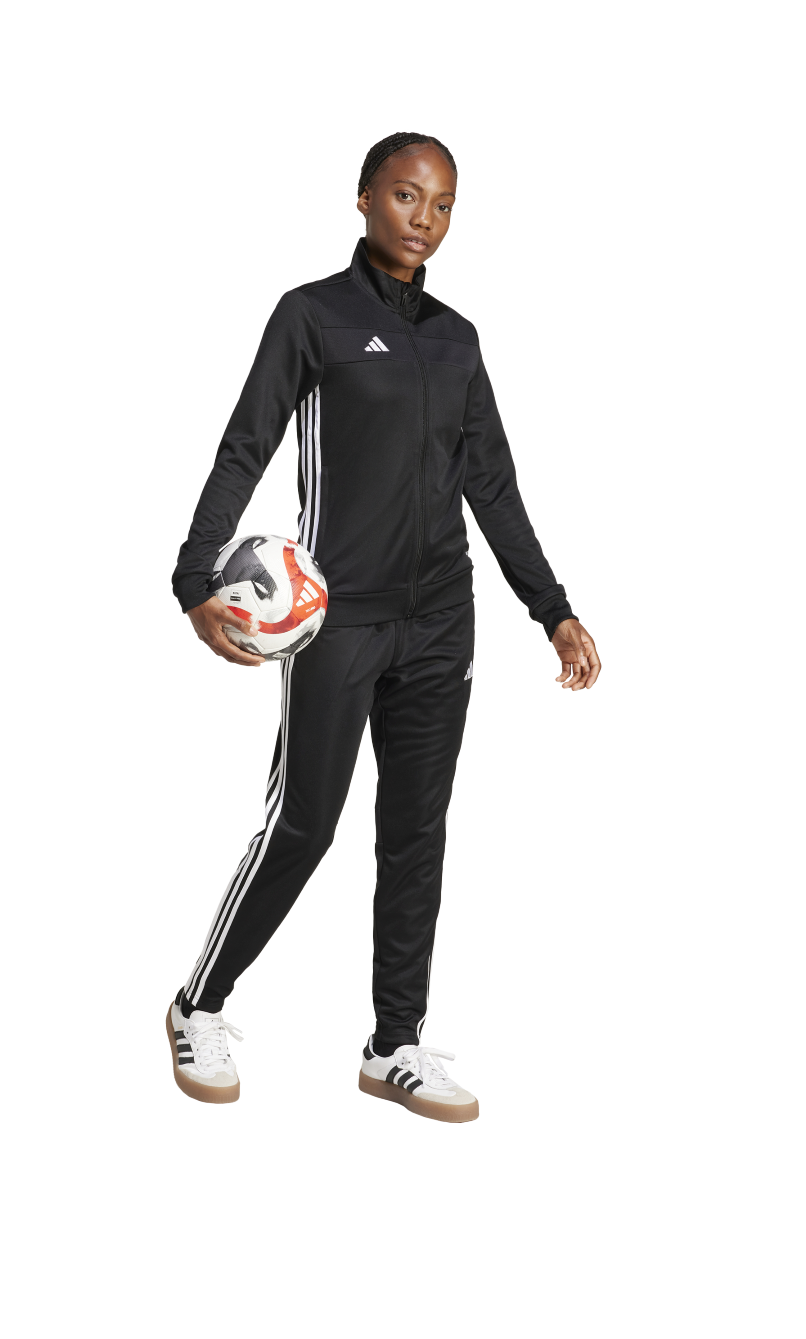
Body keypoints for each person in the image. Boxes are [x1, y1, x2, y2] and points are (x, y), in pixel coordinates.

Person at [169, 132, 600, 1122]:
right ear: (363, 198)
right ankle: (198, 1004)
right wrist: (196, 580)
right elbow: (244, 446)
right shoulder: (311, 316)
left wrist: (552, 608)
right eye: (406, 196)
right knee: (304, 824)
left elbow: (491, 484)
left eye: (442, 204)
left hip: (441, 620)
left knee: (415, 833)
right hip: (339, 618)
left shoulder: (456, 338)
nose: (424, 219)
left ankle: (393, 1044)